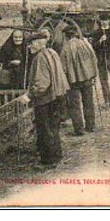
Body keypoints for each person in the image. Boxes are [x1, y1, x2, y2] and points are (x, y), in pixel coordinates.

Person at [25, 33, 70, 166]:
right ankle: (57, 155)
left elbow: (42, 84)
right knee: (53, 127)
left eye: (31, 43)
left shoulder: (39, 58)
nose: (29, 47)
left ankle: (48, 160)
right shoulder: (52, 52)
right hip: (57, 96)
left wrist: (29, 95)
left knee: (45, 129)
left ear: (38, 43)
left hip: (46, 99)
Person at [59, 23, 98, 135]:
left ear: (66, 36)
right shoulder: (86, 44)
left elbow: (63, 68)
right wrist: (94, 75)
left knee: (75, 105)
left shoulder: (65, 49)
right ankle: (91, 126)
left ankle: (79, 129)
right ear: (76, 34)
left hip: (73, 81)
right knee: (88, 102)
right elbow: (93, 60)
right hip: (87, 78)